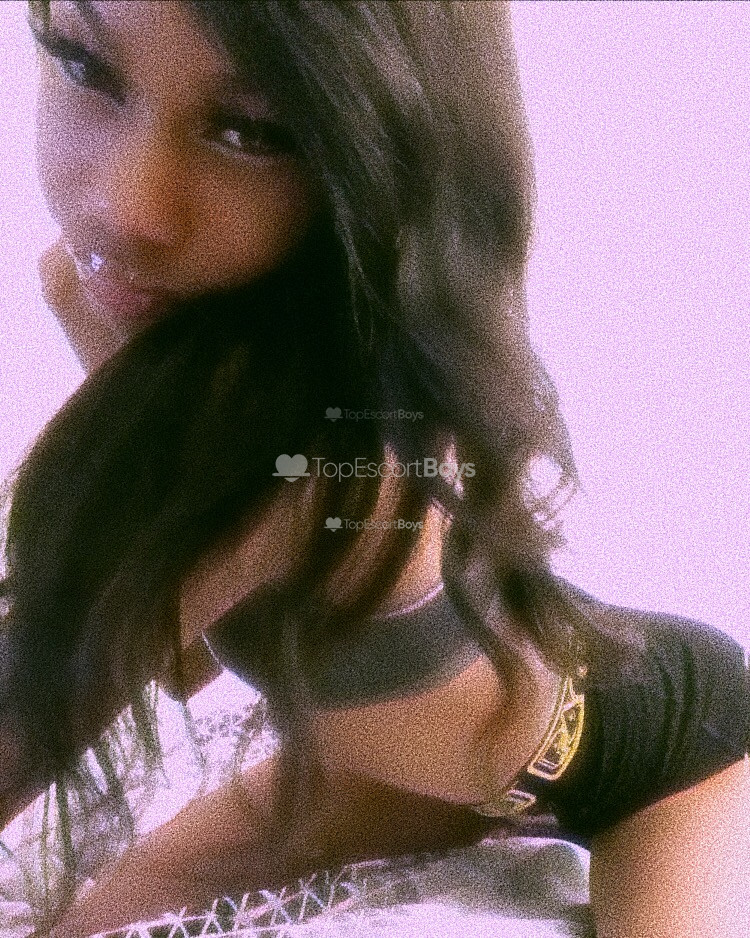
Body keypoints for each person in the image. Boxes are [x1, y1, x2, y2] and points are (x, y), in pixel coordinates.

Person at [1, 2, 747, 936]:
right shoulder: (94, 290)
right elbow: (182, 657)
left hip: (668, 755)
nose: (125, 206)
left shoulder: (298, 444)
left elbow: (57, 689)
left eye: (254, 130)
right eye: (83, 65)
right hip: (390, 767)